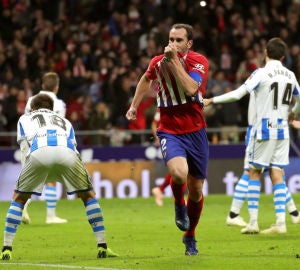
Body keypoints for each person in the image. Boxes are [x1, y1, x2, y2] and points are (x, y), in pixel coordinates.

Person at [204, 37, 300, 234]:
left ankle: (252, 222)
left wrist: (212, 99)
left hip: (264, 129)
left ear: (265, 52)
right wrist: (291, 113)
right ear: (283, 56)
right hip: (283, 130)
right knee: (277, 173)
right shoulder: (290, 74)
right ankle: (281, 223)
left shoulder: (261, 73)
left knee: (253, 172)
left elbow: (237, 94)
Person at [1, 94, 118, 260]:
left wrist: (25, 179)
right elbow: (73, 146)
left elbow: (24, 148)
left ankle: (6, 249)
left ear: (33, 108)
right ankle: (103, 246)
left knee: (18, 199)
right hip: (67, 153)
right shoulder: (65, 121)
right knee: (88, 196)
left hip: (38, 152)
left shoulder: (25, 119)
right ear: (51, 108)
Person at [126, 23, 209, 255]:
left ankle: (190, 235)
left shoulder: (198, 61)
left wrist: (173, 62)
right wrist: (134, 106)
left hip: (195, 131)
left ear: (189, 44)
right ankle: (177, 204)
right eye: (171, 39)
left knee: (196, 189)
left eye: (178, 40)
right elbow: (145, 78)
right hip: (169, 130)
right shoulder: (157, 61)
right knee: (179, 173)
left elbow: (192, 88)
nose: (172, 44)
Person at [224, 93, 300, 227]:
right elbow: (266, 113)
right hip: (258, 131)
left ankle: (294, 214)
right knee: (250, 172)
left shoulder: (263, 84)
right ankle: (233, 215)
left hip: (266, 130)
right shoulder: (261, 85)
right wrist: (288, 121)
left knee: (277, 174)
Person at [22, 72, 67, 225]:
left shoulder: (29, 101)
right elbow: (61, 126)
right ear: (56, 87)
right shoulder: (59, 104)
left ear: (42, 85)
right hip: (49, 142)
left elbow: (25, 122)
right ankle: (51, 216)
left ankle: (22, 206)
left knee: (32, 180)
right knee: (51, 179)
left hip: (29, 143)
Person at [150, 108, 173, 207]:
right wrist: (157, 139)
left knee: (180, 170)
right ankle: (161, 190)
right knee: (178, 169)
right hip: (170, 140)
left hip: (178, 139)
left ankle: (160, 190)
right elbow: (154, 124)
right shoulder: (162, 109)